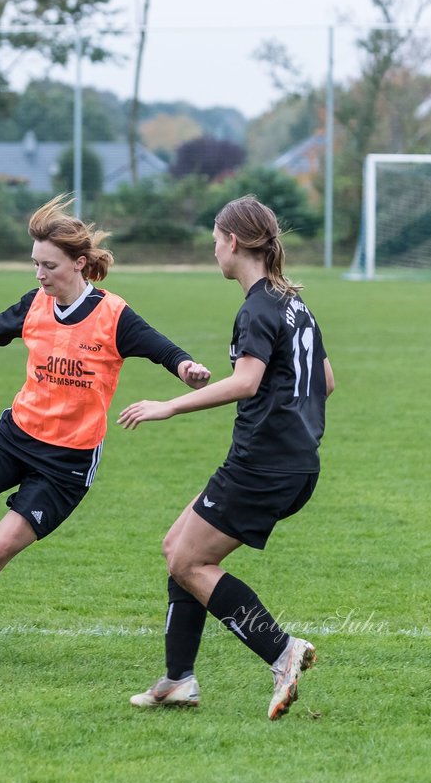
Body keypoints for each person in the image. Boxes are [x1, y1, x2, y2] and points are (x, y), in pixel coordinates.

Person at [0, 194, 211, 667]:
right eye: (35, 263)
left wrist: (187, 369)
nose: (39, 274)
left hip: (65, 465)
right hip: (15, 436)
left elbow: (161, 348)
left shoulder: (113, 315)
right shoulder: (35, 304)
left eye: (49, 265)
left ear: (79, 264)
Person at [117, 195, 335, 720]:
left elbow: (246, 381)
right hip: (294, 461)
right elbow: (325, 382)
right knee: (178, 547)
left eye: (215, 240)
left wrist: (169, 405)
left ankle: (280, 651)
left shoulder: (258, 305)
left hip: (263, 465)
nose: (213, 249)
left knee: (190, 561)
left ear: (233, 242)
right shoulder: (294, 303)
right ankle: (178, 680)